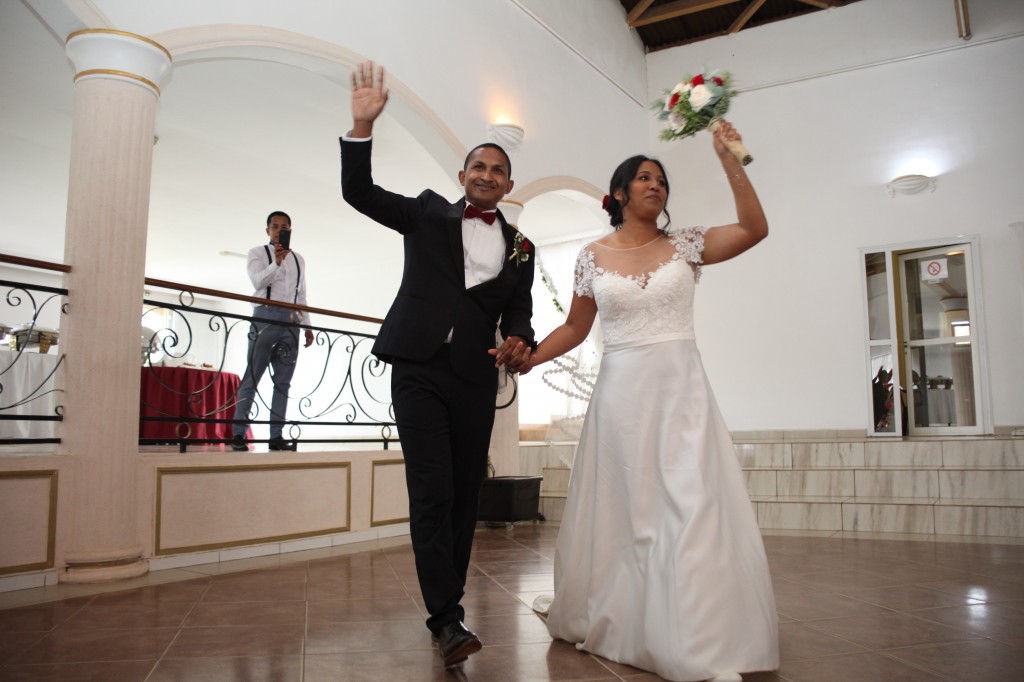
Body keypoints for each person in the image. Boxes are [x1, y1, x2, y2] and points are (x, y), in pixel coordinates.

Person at [519, 123, 779, 682]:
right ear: (617, 194)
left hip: (680, 392)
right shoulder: (591, 256)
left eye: (660, 179)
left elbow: (756, 229)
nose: (655, 185)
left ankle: (698, 636)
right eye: (643, 177)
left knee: (688, 504)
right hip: (621, 394)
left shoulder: (686, 244)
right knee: (630, 510)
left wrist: (730, 159)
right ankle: (628, 614)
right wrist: (532, 358)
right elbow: (574, 327)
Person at [340, 62, 536, 667]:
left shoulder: (522, 248)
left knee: (463, 494)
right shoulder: (427, 213)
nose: (486, 174)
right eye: (478, 165)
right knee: (430, 489)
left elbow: (521, 315)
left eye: (497, 169)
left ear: (507, 185)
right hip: (418, 364)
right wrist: (361, 127)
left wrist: (521, 343)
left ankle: (446, 606)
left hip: (477, 376)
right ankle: (447, 617)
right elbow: (359, 193)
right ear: (462, 176)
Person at [231, 211, 314, 452]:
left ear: (290, 229)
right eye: (275, 226)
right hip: (265, 316)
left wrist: (307, 325)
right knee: (253, 376)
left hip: (291, 321)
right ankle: (238, 433)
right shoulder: (258, 253)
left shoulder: (299, 259)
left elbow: (301, 293)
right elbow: (257, 282)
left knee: (283, 382)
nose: (279, 230)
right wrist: (276, 262)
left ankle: (276, 436)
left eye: (284, 226)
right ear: (267, 230)